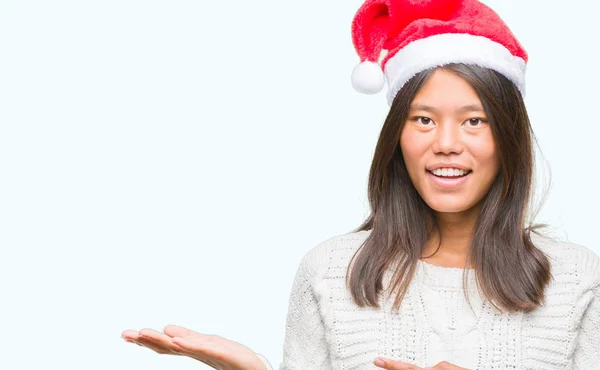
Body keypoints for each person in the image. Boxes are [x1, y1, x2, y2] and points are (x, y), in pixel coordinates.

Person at [121, 0, 600, 369]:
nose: (447, 144)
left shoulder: (577, 279)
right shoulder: (330, 272)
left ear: (507, 137)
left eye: (474, 121)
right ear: (397, 137)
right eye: (423, 119)